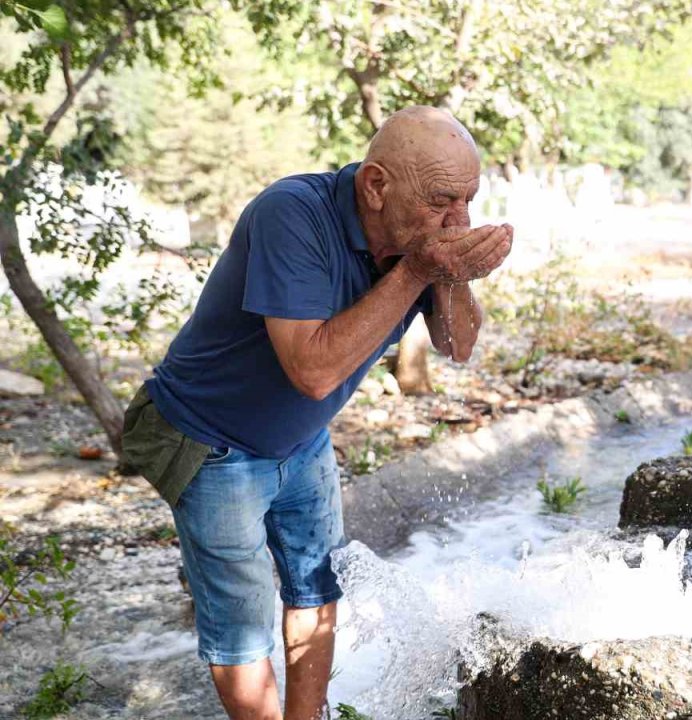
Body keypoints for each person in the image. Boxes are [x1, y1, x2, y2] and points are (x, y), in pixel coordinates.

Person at [120, 106, 513, 720]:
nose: (458, 219)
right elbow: (314, 370)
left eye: (469, 200)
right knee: (241, 621)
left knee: (317, 585)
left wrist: (455, 276)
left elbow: (458, 345)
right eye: (442, 199)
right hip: (210, 440)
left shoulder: (419, 241)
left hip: (300, 440)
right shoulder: (292, 213)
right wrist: (417, 272)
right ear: (377, 186)